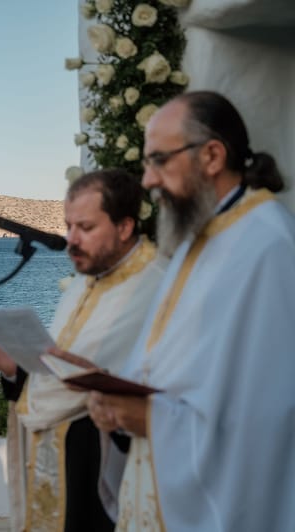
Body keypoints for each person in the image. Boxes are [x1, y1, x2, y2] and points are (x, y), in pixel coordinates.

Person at [81, 90, 295, 531]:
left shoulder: (269, 246)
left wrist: (153, 419)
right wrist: (119, 415)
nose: (147, 180)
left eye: (159, 160)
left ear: (212, 156)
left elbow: (271, 414)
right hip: (157, 476)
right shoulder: (196, 240)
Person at [0, 168, 167, 532]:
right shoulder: (86, 280)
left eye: (86, 228)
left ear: (125, 227)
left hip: (105, 463)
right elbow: (58, 368)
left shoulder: (155, 284)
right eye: (68, 226)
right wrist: (13, 368)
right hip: (61, 454)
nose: (71, 240)